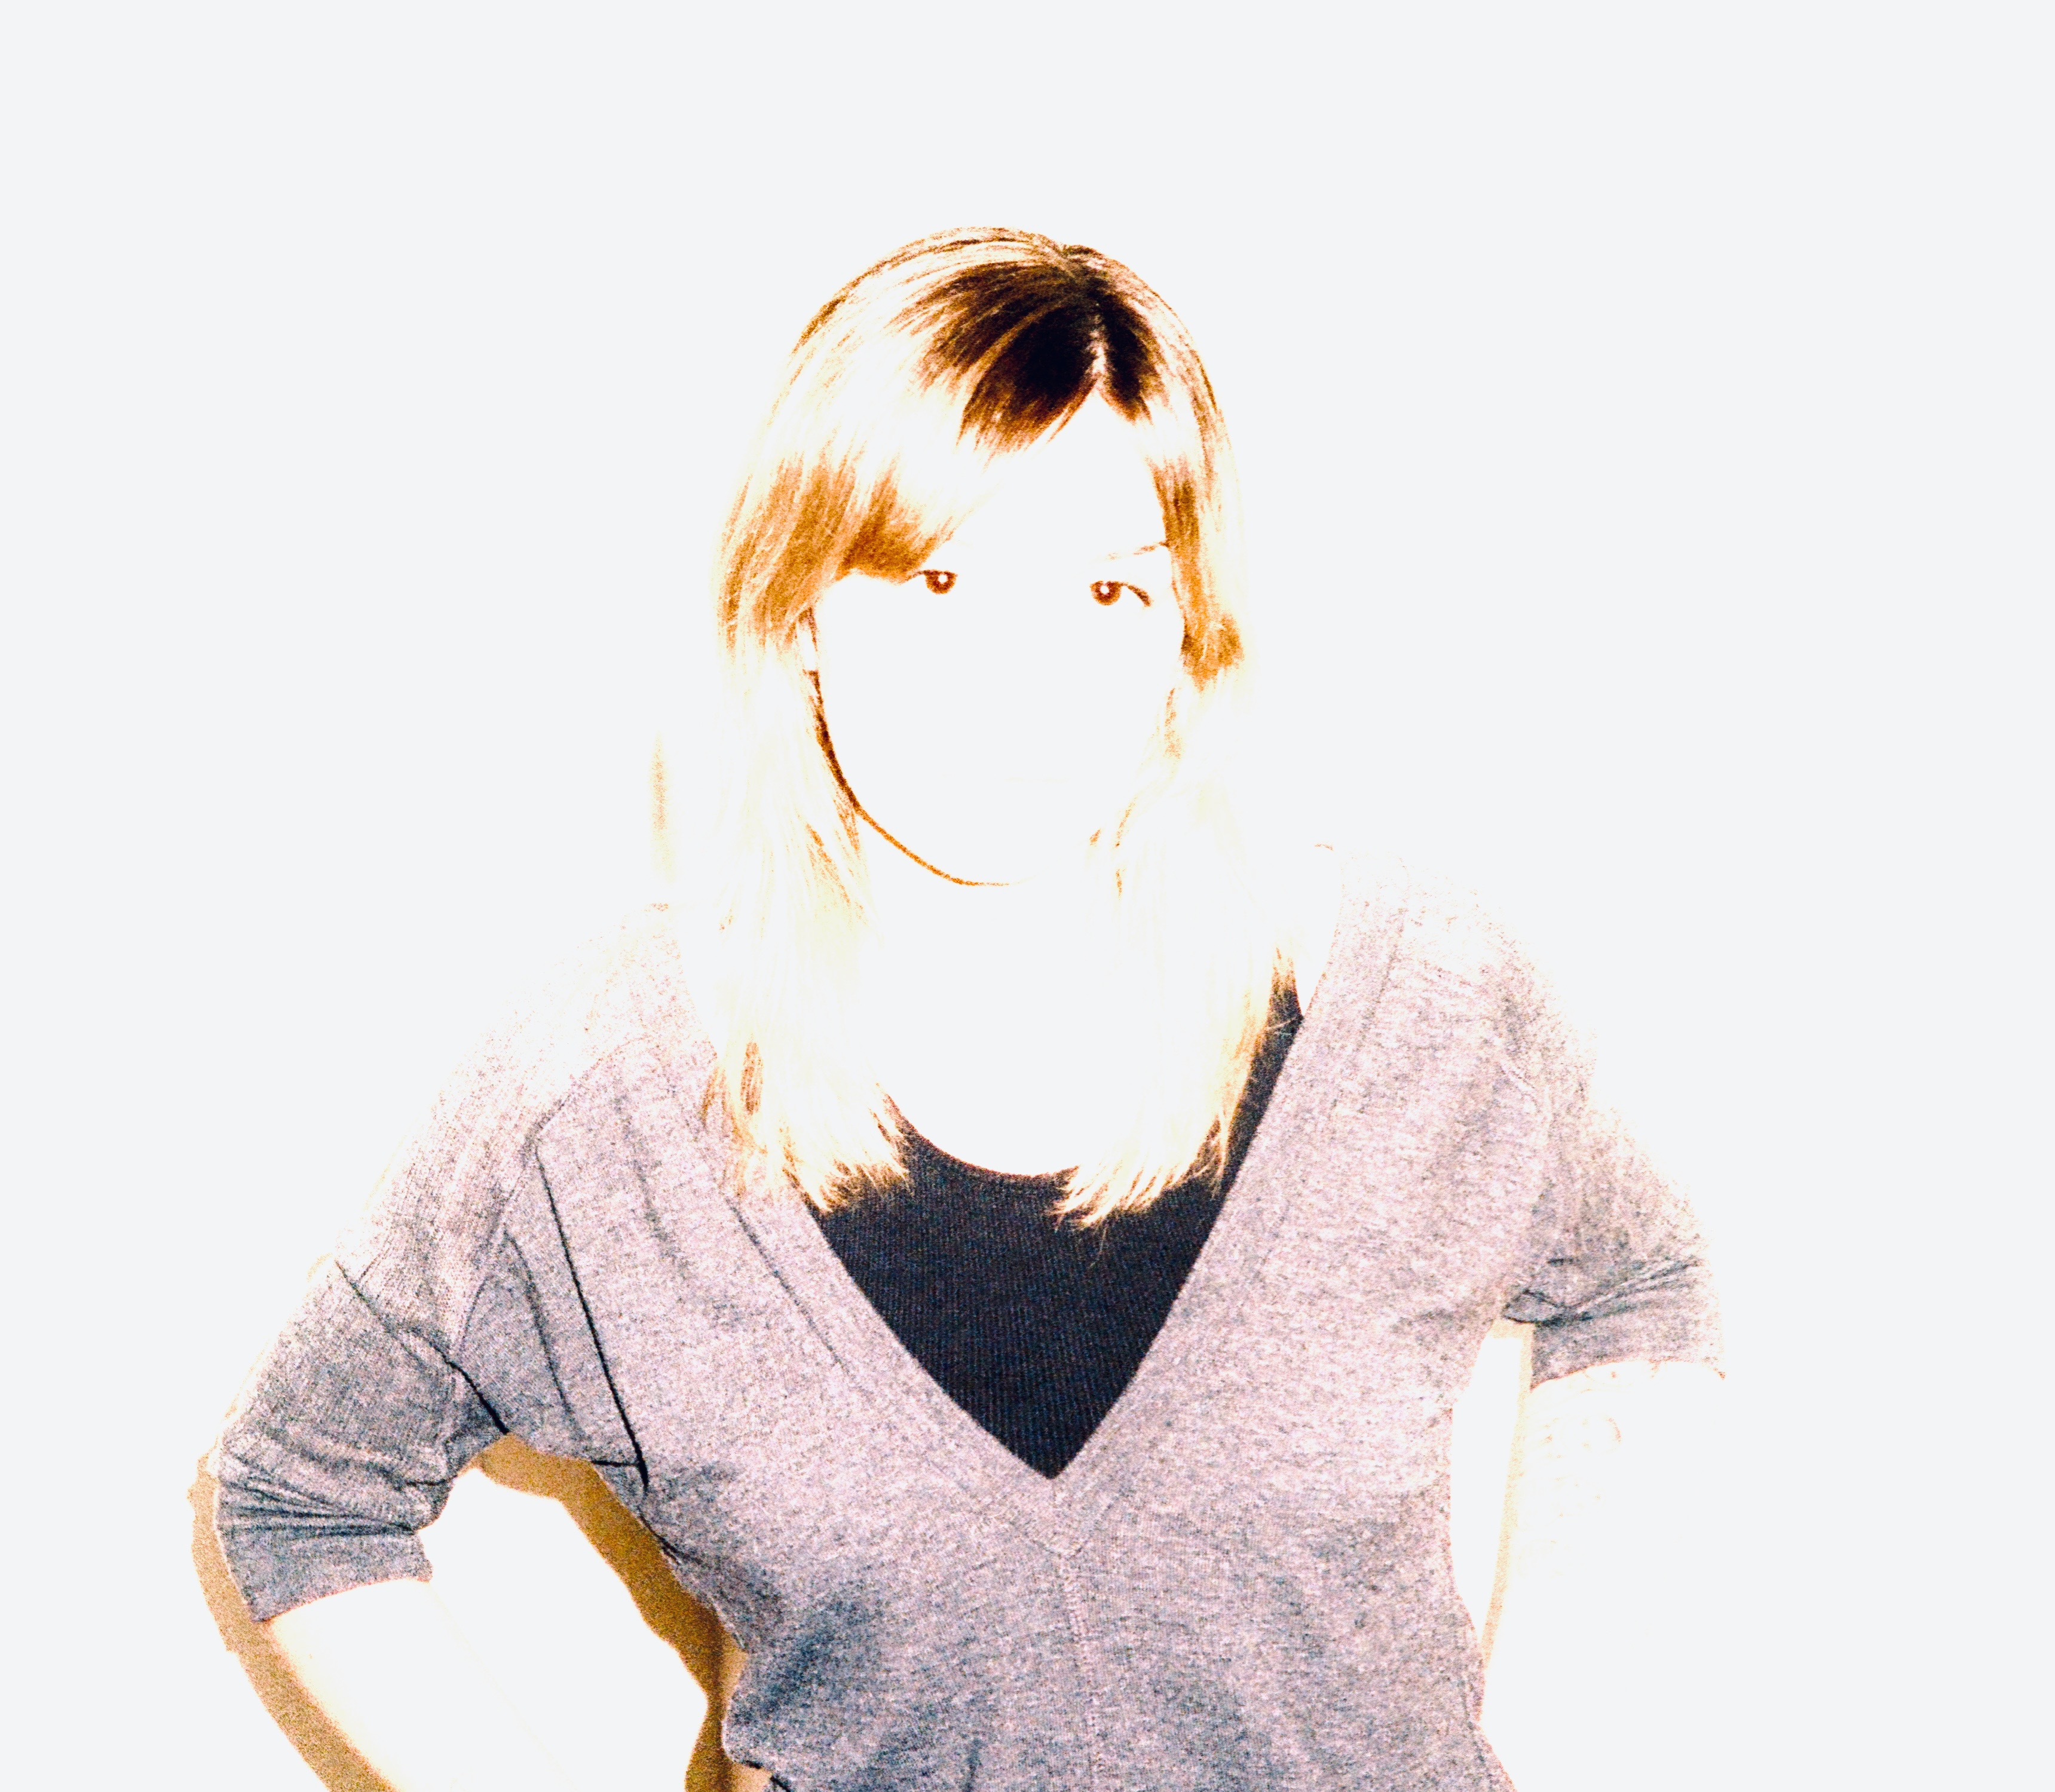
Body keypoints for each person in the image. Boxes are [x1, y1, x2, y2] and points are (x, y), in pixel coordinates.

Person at [211, 227, 1726, 1791]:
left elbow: (1641, 1287)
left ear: (1187, 637)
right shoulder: (603, 1091)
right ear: (802, 611)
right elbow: (302, 1492)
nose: (1029, 683)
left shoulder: (1424, 1001)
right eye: (940, 579)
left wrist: (1547, 1751)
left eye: (1111, 589)